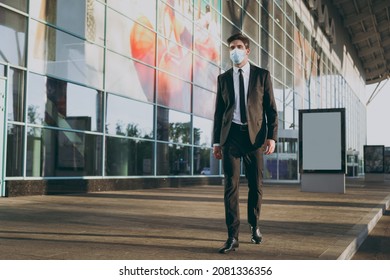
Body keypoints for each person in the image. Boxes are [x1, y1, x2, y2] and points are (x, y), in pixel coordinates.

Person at [212, 33, 278, 254]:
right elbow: (219, 112)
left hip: (254, 139)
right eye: (231, 47)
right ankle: (232, 237)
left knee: (255, 185)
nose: (235, 50)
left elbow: (271, 110)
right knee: (230, 187)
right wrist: (216, 142)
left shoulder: (262, 76)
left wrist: (272, 137)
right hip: (231, 138)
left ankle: (254, 225)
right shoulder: (223, 78)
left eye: (239, 46)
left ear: (247, 50)